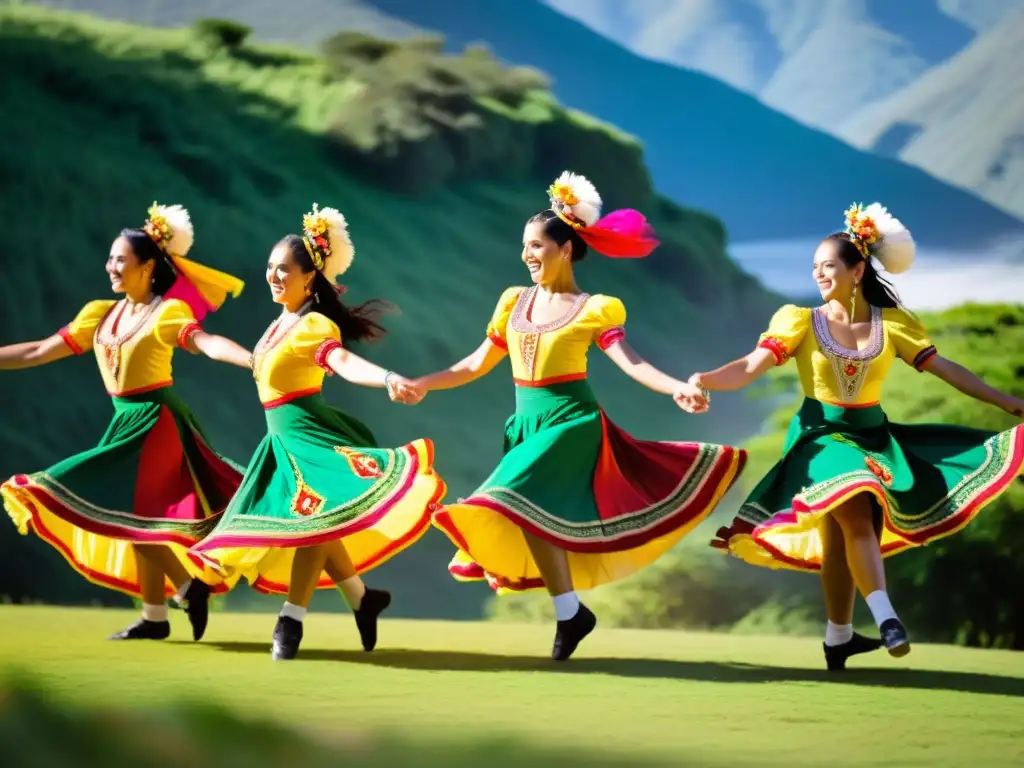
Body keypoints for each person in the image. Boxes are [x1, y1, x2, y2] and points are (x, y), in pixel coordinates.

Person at [409, 171, 747, 661]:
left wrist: (679, 388)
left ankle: (569, 611)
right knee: (532, 517)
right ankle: (571, 613)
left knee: (506, 498)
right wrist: (424, 382)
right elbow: (474, 364)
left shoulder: (594, 309)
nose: (527, 254)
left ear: (565, 249)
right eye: (524, 245)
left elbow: (633, 362)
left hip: (571, 422)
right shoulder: (512, 303)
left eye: (537, 245)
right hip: (525, 424)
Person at [689, 202, 1024, 670]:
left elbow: (945, 368)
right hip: (819, 437)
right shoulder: (799, 321)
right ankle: (887, 618)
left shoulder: (894, 325)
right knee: (858, 512)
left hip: (874, 436)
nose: (819, 274)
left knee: (839, 535)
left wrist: (1008, 402)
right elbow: (749, 367)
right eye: (814, 268)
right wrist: (704, 379)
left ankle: (839, 637)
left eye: (828, 265)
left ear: (858, 269)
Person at [190, 203, 446, 661]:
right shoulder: (276, 327)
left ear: (309, 277)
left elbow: (342, 362)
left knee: (312, 522)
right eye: (269, 268)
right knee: (314, 522)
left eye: (283, 269)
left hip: (307, 434)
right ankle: (362, 598)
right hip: (280, 440)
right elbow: (257, 365)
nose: (273, 276)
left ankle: (291, 621)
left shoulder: (313, 324)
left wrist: (387, 378)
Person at [1, 202, 251, 642]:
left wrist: (252, 359)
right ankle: (160, 613)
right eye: (111, 258)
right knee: (133, 516)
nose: (112, 266)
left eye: (121, 259)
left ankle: (184, 593)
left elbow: (206, 341)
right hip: (124, 421)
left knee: (135, 515)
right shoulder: (99, 313)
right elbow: (40, 350)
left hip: (157, 421)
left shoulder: (167, 312)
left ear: (148, 267)